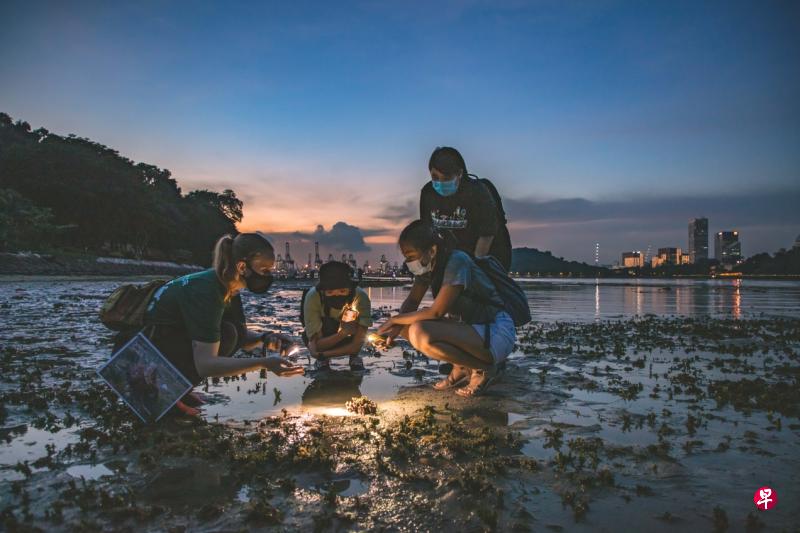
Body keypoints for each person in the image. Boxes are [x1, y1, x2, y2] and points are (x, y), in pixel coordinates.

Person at [143, 232, 304, 414]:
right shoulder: (207, 291)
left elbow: (239, 337)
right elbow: (206, 365)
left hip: (166, 344)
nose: (269, 276)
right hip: (145, 355)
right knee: (228, 333)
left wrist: (264, 338)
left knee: (233, 331)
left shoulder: (226, 285)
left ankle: (180, 389)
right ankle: (168, 394)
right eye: (265, 270)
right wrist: (265, 363)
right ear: (242, 267)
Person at [377, 220, 516, 396]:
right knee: (406, 327)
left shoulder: (457, 261)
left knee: (419, 332)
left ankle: (483, 369)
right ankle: (461, 368)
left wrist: (394, 319)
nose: (409, 262)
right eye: (406, 257)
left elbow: (437, 312)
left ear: (432, 250)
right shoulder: (428, 268)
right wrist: (394, 328)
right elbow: (412, 301)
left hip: (494, 331)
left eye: (411, 256)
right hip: (469, 331)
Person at [420, 146, 512, 270]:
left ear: (460, 174)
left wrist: (474, 269)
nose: (440, 183)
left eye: (446, 178)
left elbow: (487, 235)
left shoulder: (477, 192)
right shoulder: (428, 193)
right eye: (435, 177)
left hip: (486, 257)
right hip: (452, 258)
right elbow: (427, 230)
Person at [302, 261, 372, 371]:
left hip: (349, 338)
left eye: (342, 291)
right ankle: (323, 362)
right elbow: (318, 345)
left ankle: (353, 358)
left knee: (357, 326)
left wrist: (320, 355)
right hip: (326, 336)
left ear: (350, 289)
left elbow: (356, 345)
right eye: (330, 292)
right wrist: (343, 333)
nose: (336, 295)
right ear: (323, 291)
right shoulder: (313, 297)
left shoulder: (360, 297)